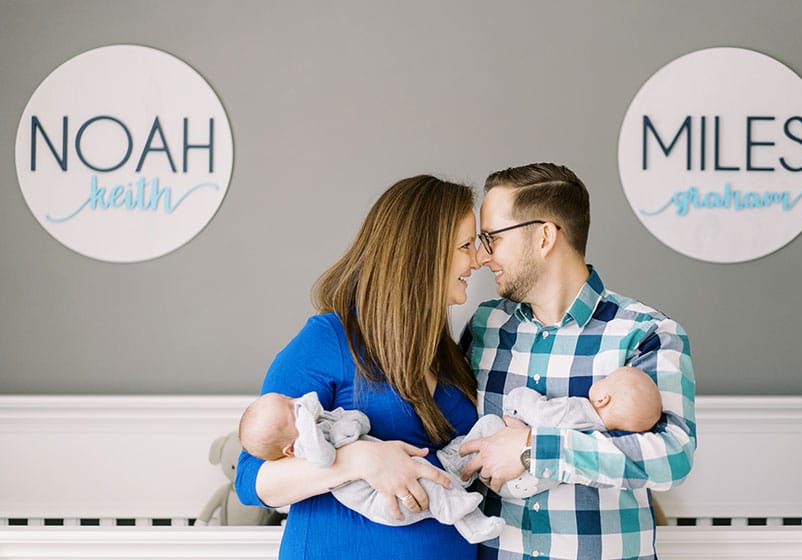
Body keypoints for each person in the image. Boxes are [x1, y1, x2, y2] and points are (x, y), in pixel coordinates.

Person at [235, 175, 485, 559]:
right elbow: (252, 479)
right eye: (466, 246)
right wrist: (358, 459)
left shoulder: (446, 352)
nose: (478, 260)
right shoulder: (328, 340)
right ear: (424, 253)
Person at [458, 163, 696, 560]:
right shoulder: (485, 326)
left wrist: (534, 448)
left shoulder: (645, 332)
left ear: (544, 236)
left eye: (492, 238)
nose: (482, 257)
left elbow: (673, 456)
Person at [238, 391, 504, 543]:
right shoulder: (306, 446)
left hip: (421, 465)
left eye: (288, 398)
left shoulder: (325, 421)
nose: (296, 401)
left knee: (455, 453)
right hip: (383, 499)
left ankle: (471, 460)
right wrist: (362, 457)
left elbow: (359, 422)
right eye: (289, 409)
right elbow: (249, 480)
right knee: (433, 490)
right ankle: (470, 521)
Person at [439, 366, 663, 499]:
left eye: (605, 380)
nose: (599, 380)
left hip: (511, 474)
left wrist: (518, 396)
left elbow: (541, 414)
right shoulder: (597, 434)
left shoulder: (580, 410)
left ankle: (454, 470)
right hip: (528, 485)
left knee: (489, 425)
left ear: (603, 399)